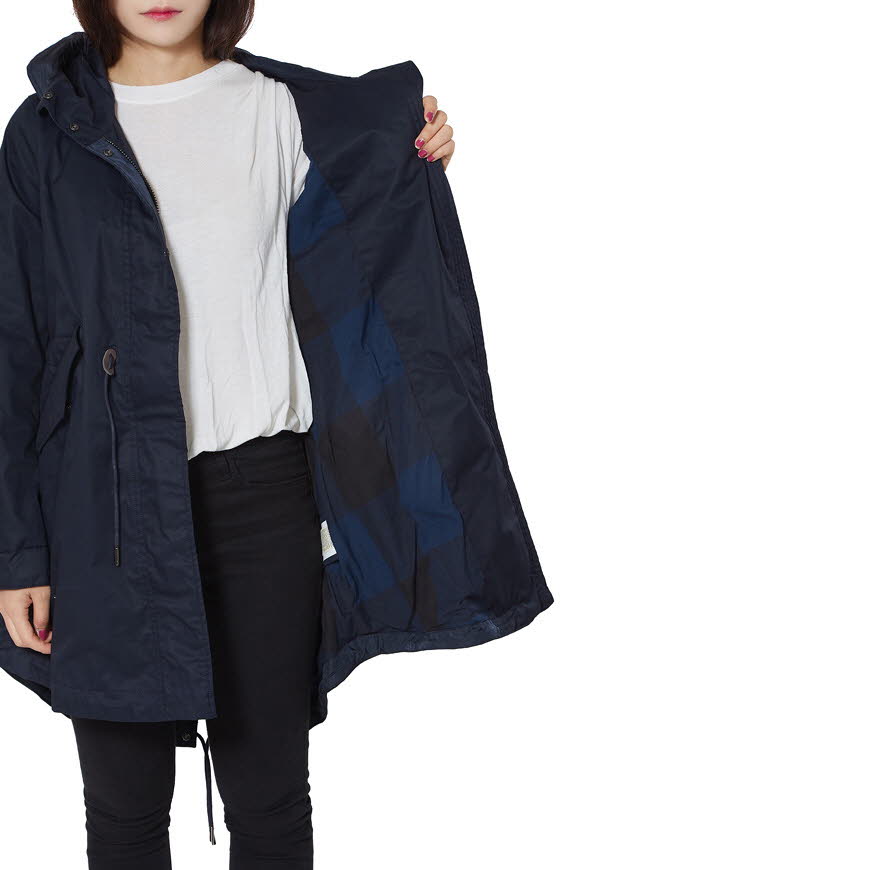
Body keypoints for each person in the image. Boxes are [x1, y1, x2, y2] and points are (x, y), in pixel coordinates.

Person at [0, 1, 553, 868]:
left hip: (261, 497)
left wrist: (414, 146)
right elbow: (14, 344)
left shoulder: (279, 109)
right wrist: (18, 555)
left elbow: (374, 206)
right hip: (102, 509)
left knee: (269, 799)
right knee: (124, 808)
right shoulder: (46, 132)